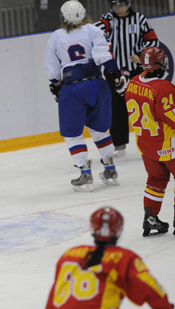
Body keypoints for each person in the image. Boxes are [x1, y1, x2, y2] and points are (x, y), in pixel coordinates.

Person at [43, 206, 174, 309]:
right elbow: (150, 288)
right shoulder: (123, 257)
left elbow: (54, 297)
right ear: (119, 229)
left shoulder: (68, 255)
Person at [44, 1, 127, 192]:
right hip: (98, 84)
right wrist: (114, 75)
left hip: (73, 87)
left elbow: (52, 69)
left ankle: (84, 172)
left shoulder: (56, 36)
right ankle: (110, 169)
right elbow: (103, 55)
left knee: (73, 135)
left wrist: (56, 85)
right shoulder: (92, 29)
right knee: (100, 131)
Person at [95, 0, 159, 157]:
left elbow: (152, 40)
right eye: (114, 6)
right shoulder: (109, 18)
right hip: (114, 70)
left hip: (136, 70)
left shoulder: (140, 19)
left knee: (142, 104)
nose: (117, 9)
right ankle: (119, 143)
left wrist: (140, 54)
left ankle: (152, 139)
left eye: (120, 5)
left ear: (128, 4)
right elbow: (97, 29)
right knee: (116, 106)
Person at [124, 47, 175, 237]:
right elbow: (172, 117)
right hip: (168, 144)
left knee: (156, 180)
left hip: (146, 145)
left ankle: (151, 218)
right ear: (159, 64)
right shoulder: (163, 87)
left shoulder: (133, 83)